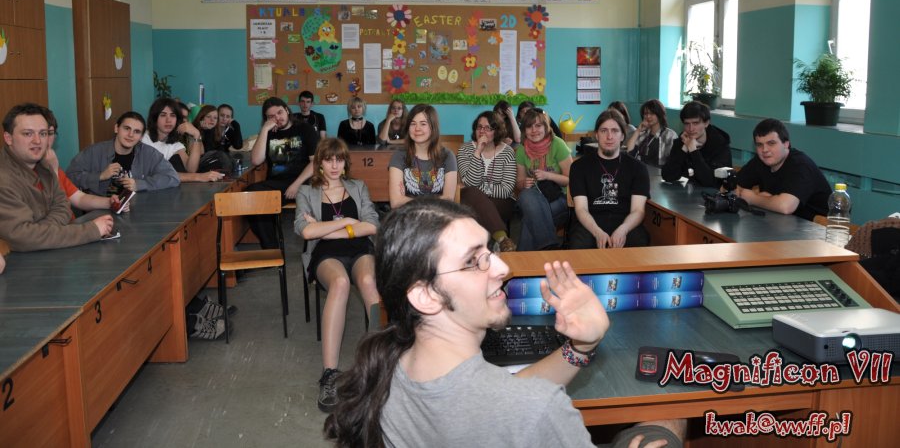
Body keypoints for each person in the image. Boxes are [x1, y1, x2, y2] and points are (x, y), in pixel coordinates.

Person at [323, 198, 684, 448]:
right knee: (670, 415)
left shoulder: (388, 369)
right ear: (425, 296)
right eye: (473, 261)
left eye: (489, 251)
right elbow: (519, 405)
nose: (502, 267)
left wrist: (581, 348)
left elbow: (495, 397)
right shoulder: (540, 410)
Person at [293, 138, 380, 413]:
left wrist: (327, 229)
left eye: (339, 159)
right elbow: (305, 231)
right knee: (340, 283)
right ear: (319, 163)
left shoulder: (358, 187)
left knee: (368, 281)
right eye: (328, 160)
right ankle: (329, 374)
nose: (334, 165)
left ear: (345, 163)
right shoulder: (306, 192)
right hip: (325, 254)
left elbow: (372, 225)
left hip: (359, 248)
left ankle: (381, 366)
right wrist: (348, 221)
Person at [0, 103, 114, 252]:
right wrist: (91, 230)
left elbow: (63, 206)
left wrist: (38, 231)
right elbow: (22, 237)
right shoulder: (4, 179)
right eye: (28, 134)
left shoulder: (44, 165)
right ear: (8, 138)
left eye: (43, 133)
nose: (37, 141)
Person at [568, 110, 651, 248]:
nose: (609, 136)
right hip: (590, 222)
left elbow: (638, 210)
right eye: (604, 131)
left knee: (639, 241)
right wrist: (597, 232)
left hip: (625, 222)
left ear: (622, 135)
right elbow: (581, 209)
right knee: (579, 244)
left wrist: (623, 229)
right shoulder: (579, 167)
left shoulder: (638, 168)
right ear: (596, 135)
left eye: (615, 131)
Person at [247, 97, 318, 248]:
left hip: (303, 181)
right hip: (277, 183)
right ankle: (271, 249)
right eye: (271, 116)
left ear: (286, 110)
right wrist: (264, 130)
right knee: (251, 195)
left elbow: (315, 162)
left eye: (279, 112)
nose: (277, 118)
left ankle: (312, 248)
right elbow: (256, 160)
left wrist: (296, 184)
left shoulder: (305, 129)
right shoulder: (269, 133)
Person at [735, 118, 831, 220]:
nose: (765, 150)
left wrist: (754, 198)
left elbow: (785, 207)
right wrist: (765, 198)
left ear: (786, 144)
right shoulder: (761, 160)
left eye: (771, 143)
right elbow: (732, 186)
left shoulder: (801, 165)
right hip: (780, 222)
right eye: (759, 145)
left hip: (817, 226)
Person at [67, 111, 180, 196]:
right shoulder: (94, 152)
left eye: (136, 132)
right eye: (126, 128)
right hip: (99, 210)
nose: (131, 135)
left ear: (141, 137)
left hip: (137, 209)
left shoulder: (149, 154)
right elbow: (69, 177)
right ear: (116, 128)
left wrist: (139, 184)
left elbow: (172, 177)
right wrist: (100, 176)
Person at [457, 111, 517, 252]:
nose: (482, 131)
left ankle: (480, 249)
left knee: (477, 205)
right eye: (479, 127)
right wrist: (478, 151)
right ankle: (502, 240)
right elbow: (471, 183)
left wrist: (480, 191)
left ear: (497, 131)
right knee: (471, 194)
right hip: (470, 198)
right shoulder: (465, 150)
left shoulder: (507, 152)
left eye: (488, 128)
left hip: (502, 201)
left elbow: (506, 190)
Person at [514, 109, 572, 251]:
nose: (534, 130)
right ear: (524, 130)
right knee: (526, 196)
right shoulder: (521, 149)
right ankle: (549, 248)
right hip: (533, 197)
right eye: (529, 126)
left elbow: (571, 180)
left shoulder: (557, 144)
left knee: (531, 218)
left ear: (546, 127)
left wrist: (548, 176)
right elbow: (519, 183)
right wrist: (524, 183)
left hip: (560, 197)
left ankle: (527, 258)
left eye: (538, 125)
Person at [388, 104, 458, 208]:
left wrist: (407, 200)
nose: (417, 128)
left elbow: (448, 199)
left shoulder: (447, 156)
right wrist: (438, 199)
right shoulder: (399, 156)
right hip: (408, 215)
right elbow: (396, 202)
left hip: (439, 214)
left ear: (433, 127)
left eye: (423, 124)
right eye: (413, 124)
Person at [142, 98, 225, 183]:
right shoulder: (143, 139)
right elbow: (155, 174)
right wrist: (198, 177)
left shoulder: (175, 143)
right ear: (154, 118)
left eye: (172, 115)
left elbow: (191, 169)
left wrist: (197, 135)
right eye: (163, 115)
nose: (168, 120)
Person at [661, 101, 732, 187]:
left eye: (695, 123)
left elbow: (710, 182)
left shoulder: (720, 145)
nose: (691, 129)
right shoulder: (681, 141)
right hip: (688, 191)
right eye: (687, 124)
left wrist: (693, 151)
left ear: (706, 123)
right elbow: (667, 176)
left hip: (712, 193)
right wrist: (684, 148)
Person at [626, 99, 678, 167]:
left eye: (652, 113)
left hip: (659, 172)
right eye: (646, 113)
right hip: (642, 170)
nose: (648, 116)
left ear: (659, 114)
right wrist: (638, 131)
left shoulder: (669, 135)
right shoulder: (643, 134)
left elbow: (674, 161)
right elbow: (629, 151)